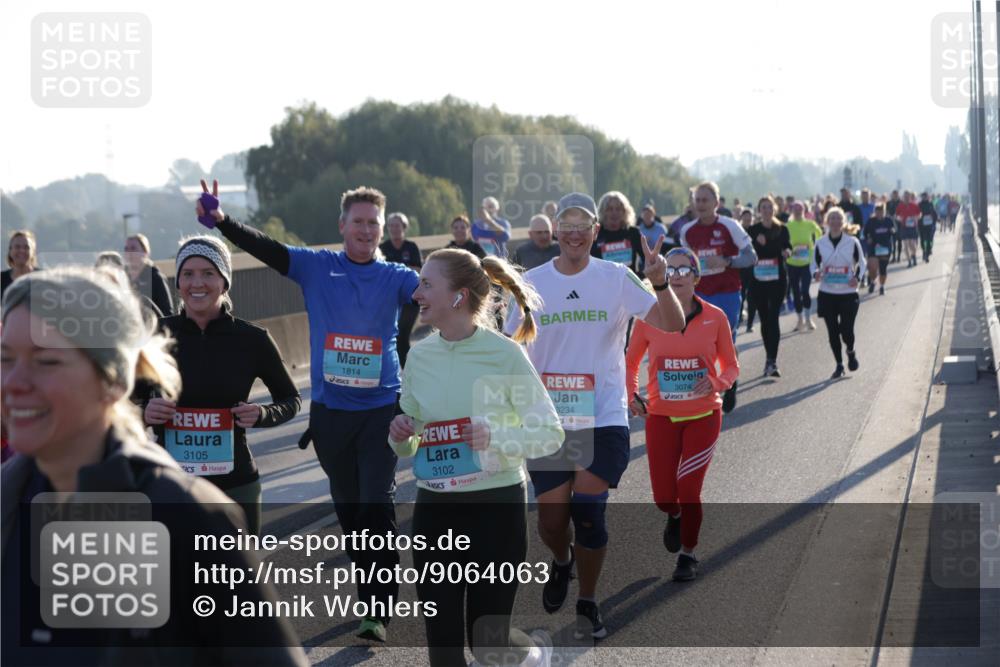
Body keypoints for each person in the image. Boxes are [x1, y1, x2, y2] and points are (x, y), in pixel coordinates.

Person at [0, 267, 306, 666]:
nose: (15, 382)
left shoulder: (191, 517)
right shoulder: (8, 501)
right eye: (5, 358)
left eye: (46, 361)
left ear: (112, 379)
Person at [195, 179, 417, 642]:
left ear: (382, 229)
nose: (367, 229)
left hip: (380, 410)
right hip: (332, 417)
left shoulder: (397, 277)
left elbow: (438, 289)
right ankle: (371, 584)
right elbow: (268, 249)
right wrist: (221, 222)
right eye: (358, 221)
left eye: (373, 223)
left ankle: (377, 608)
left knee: (375, 506)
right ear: (342, 226)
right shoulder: (318, 267)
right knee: (353, 517)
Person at [504, 192, 685, 639]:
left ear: (595, 233)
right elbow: (510, 349)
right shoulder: (531, 284)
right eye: (566, 226)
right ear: (555, 232)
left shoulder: (617, 277)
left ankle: (587, 599)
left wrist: (660, 283)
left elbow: (672, 324)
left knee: (587, 512)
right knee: (551, 522)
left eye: (583, 226)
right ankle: (561, 561)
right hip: (548, 419)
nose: (574, 234)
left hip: (603, 412)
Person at [389, 248, 560, 667]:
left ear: (459, 296)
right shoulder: (420, 356)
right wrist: (400, 436)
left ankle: (531, 653)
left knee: (487, 644)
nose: (417, 293)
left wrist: (494, 436)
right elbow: (411, 437)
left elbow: (550, 433)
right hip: (435, 510)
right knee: (443, 649)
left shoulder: (505, 355)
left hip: (495, 510)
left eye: (427, 284)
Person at [138, 235, 301, 535]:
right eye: (188, 274)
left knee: (238, 579)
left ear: (224, 282)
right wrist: (144, 414)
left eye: (208, 273)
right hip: (171, 485)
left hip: (236, 486)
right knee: (175, 580)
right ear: (178, 284)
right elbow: (117, 407)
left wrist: (262, 414)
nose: (197, 283)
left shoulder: (252, 339)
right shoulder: (156, 337)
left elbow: (291, 399)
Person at [625, 248, 738, 582]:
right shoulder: (648, 319)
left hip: (703, 415)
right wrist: (631, 393)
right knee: (663, 497)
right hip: (660, 416)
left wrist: (717, 382)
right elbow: (630, 364)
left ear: (696, 276)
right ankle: (673, 515)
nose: (675, 275)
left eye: (683, 269)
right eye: (669, 270)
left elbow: (731, 365)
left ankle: (688, 553)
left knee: (688, 488)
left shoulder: (715, 317)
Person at [679, 181, 756, 413]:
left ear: (716, 202)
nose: (701, 204)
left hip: (727, 292)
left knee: (725, 342)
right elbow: (684, 263)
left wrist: (727, 261)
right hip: (700, 293)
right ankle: (707, 388)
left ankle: (730, 382)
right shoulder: (687, 231)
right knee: (700, 343)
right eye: (698, 200)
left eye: (705, 200)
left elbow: (751, 257)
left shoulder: (730, 226)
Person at [813, 207, 865, 378]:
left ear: (843, 222)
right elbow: (813, 264)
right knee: (833, 332)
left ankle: (850, 351)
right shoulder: (820, 243)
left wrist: (857, 277)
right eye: (832, 218)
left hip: (848, 293)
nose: (835, 222)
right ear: (827, 222)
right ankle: (839, 364)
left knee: (846, 330)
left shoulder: (852, 242)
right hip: (827, 294)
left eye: (838, 218)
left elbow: (862, 263)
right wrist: (816, 273)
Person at [749, 196, 792, 377]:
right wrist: (755, 244)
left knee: (773, 318)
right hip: (758, 280)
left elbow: (787, 247)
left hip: (777, 279)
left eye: (769, 207)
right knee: (765, 319)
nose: (767, 210)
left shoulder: (782, 229)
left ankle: (772, 361)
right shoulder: (752, 230)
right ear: (759, 210)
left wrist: (787, 252)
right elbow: (747, 254)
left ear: (774, 209)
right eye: (763, 207)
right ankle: (768, 357)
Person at [379, 212, 423, 368]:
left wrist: (396, 268)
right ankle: (402, 370)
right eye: (391, 226)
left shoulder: (411, 247)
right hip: (390, 298)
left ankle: (411, 369)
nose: (394, 229)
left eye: (397, 225)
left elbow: (418, 269)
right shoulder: (383, 248)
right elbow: (378, 270)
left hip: (411, 297)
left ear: (404, 228)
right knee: (393, 336)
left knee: (403, 334)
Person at [786, 201, 823, 331]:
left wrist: (814, 248)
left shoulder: (810, 224)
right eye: (795, 209)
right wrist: (789, 249)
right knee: (795, 292)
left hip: (807, 262)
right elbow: (783, 241)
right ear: (792, 211)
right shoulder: (788, 225)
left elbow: (820, 235)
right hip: (792, 263)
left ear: (804, 210)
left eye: (800, 209)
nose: (797, 211)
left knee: (805, 291)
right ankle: (800, 320)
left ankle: (808, 319)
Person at [591, 191, 645, 276]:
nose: (614, 213)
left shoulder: (633, 233)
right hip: (602, 285)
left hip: (628, 286)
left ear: (625, 212)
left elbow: (647, 259)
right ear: (603, 212)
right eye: (609, 209)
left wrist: (640, 277)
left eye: (618, 209)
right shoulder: (595, 234)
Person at [124, 233, 174, 316]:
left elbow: (167, 312)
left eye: (133, 248)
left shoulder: (155, 278)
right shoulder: (122, 277)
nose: (129, 253)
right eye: (126, 249)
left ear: (145, 252)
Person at [863, 203, 895, 295]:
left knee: (882, 269)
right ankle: (873, 281)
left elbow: (894, 230)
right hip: (873, 247)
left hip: (885, 247)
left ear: (884, 211)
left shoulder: (888, 220)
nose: (879, 213)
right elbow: (865, 233)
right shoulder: (871, 221)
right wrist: (868, 238)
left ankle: (882, 286)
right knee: (872, 267)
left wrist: (892, 231)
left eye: (881, 211)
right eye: (877, 211)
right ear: (875, 212)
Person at [1, 230, 40, 300]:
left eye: (26, 247)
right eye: (17, 247)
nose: (22, 251)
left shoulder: (43, 279)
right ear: (10, 251)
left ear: (33, 252)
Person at [737, 209, 757, 333]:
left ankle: (750, 324)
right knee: (741, 295)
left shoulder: (755, 230)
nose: (747, 219)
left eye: (749, 217)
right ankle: (738, 318)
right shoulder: (738, 231)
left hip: (754, 268)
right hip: (741, 269)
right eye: (745, 217)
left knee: (752, 297)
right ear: (742, 218)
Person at [894, 191, 921, 268]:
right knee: (905, 245)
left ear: (910, 197)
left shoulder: (914, 205)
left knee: (912, 244)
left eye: (908, 196)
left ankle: (914, 255)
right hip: (904, 227)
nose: (906, 198)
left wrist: (916, 218)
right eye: (905, 196)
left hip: (912, 227)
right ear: (903, 197)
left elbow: (919, 214)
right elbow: (896, 215)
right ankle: (909, 261)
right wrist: (899, 218)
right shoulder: (900, 206)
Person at [918, 191, 939, 263]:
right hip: (922, 225)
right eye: (923, 196)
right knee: (923, 239)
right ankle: (924, 251)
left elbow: (934, 212)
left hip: (930, 225)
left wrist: (935, 218)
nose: (924, 198)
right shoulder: (919, 205)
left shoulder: (930, 204)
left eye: (925, 196)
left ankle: (929, 250)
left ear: (927, 197)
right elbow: (917, 214)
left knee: (930, 239)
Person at [886, 189, 903, 262]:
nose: (895, 195)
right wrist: (889, 216)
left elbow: (903, 212)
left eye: (896, 194)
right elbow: (886, 212)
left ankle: (898, 256)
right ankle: (893, 257)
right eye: (894, 194)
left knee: (899, 240)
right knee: (893, 241)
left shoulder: (901, 203)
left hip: (899, 224)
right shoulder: (889, 203)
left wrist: (899, 216)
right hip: (891, 223)